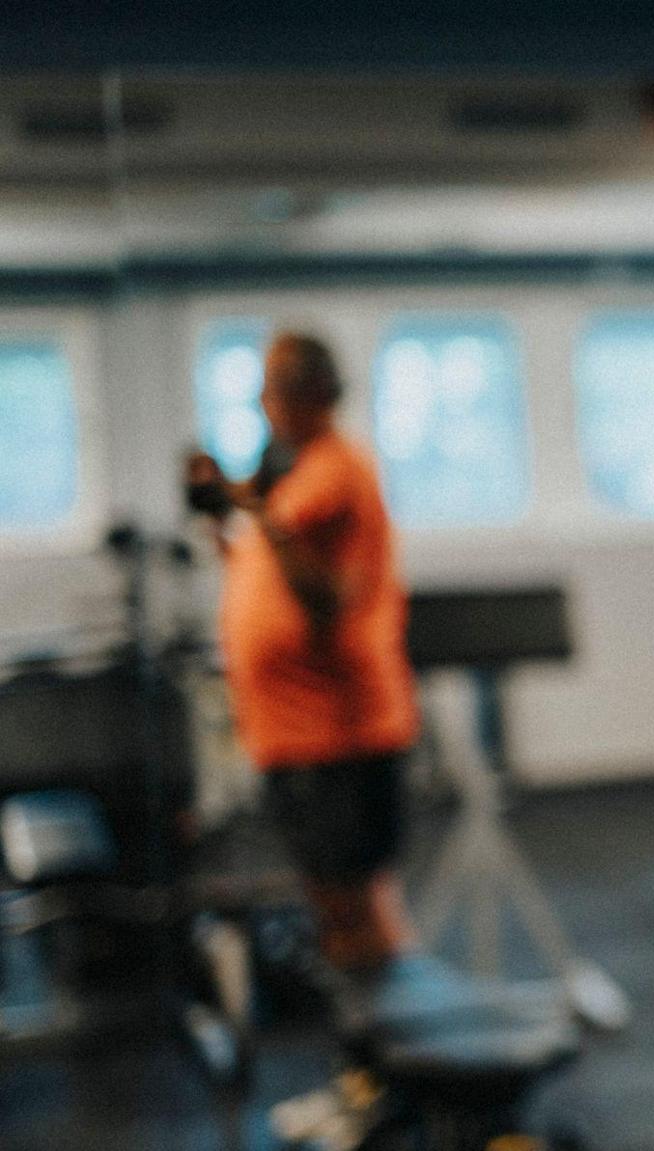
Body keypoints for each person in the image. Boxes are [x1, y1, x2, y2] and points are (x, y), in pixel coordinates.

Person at [187, 331, 422, 978]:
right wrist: (223, 514)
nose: (264, 404)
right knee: (338, 900)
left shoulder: (338, 472)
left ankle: (388, 1053)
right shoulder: (297, 481)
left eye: (273, 388)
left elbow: (325, 598)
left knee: (352, 906)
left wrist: (264, 512)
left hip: (335, 731)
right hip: (296, 730)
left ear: (309, 393)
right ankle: (379, 1048)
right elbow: (260, 574)